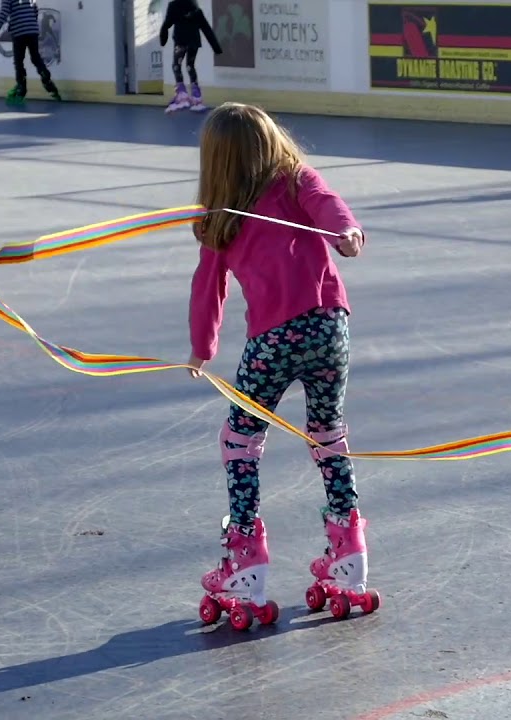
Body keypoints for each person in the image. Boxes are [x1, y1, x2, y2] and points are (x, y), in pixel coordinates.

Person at [187, 103, 374, 621]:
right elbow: (328, 203)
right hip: (330, 328)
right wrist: (347, 232)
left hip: (274, 340)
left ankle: (244, 559)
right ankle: (349, 552)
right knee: (328, 434)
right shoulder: (295, 180)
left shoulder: (219, 217)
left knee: (240, 440)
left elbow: (208, 289)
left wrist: (202, 348)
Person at [0, 0, 61, 105]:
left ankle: (21, 89)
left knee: (19, 62)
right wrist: (30, 23)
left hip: (19, 31)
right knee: (36, 58)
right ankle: (48, 82)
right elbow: (35, 9)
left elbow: (4, 13)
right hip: (32, 29)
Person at [160, 0, 223, 113]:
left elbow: (167, 23)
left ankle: (182, 95)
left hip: (181, 41)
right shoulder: (196, 10)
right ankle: (196, 97)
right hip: (194, 42)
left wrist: (162, 38)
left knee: (176, 65)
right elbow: (206, 29)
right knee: (190, 66)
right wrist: (216, 48)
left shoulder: (174, 6)